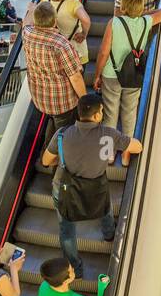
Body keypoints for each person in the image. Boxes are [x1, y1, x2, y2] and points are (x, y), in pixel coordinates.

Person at [40, 93, 142, 278]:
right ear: (96, 116)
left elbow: (46, 161)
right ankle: (109, 233)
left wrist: (66, 158)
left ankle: (75, 269)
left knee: (67, 229)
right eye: (101, 111)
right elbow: (137, 147)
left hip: (65, 188)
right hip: (97, 187)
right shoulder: (109, 135)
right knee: (105, 207)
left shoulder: (62, 134)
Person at [93, 0, 161, 141]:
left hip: (111, 75)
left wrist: (97, 75)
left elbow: (104, 52)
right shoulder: (146, 22)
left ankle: (109, 152)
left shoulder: (114, 22)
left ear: (123, 7)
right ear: (140, 7)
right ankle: (126, 152)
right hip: (133, 74)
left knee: (110, 114)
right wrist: (142, 12)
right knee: (129, 113)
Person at [22, 0, 87, 134]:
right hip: (62, 102)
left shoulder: (28, 34)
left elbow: (26, 23)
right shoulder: (61, 44)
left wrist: (31, 9)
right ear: (55, 21)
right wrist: (85, 101)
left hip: (40, 98)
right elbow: (75, 78)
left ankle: (47, 149)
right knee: (64, 135)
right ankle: (56, 152)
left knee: (53, 128)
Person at [40, 0, 91, 67]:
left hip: (58, 53)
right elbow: (86, 20)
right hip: (76, 52)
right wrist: (84, 33)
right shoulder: (73, 4)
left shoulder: (47, 0)